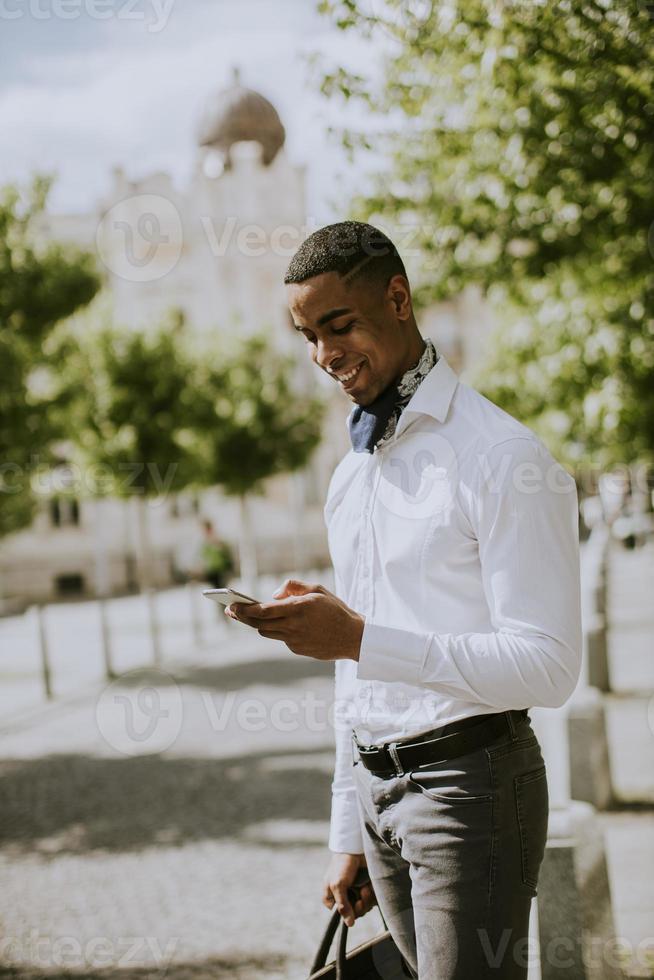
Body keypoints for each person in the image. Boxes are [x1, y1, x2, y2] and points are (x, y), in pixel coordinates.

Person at [225, 221, 582, 979]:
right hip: (376, 794)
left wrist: (357, 636)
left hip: (472, 789)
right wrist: (348, 823)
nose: (324, 355)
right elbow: (355, 678)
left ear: (397, 298)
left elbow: (549, 668)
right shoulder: (350, 473)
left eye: (338, 325)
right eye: (307, 335)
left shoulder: (506, 458)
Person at [199, 519, 234, 589]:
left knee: (222, 590)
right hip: (212, 571)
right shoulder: (205, 542)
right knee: (215, 591)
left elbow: (226, 551)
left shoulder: (218, 538)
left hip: (221, 570)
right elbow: (204, 556)